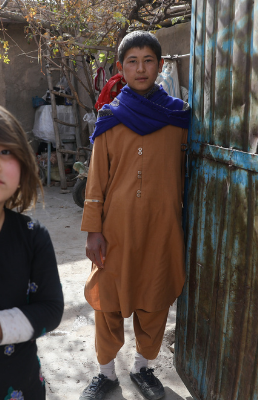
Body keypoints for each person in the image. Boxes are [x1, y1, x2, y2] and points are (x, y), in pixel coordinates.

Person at [79, 31, 191, 400]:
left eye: (148, 61)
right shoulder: (109, 117)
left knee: (155, 297)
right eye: (132, 61)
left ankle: (143, 368)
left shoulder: (178, 117)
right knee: (107, 300)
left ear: (160, 66)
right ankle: (106, 373)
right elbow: (96, 181)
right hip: (116, 230)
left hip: (162, 227)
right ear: (121, 68)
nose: (140, 68)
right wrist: (93, 230)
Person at [0, 100, 64, 400]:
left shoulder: (33, 237)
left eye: (6, 151)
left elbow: (50, 310)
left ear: (23, 166)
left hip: (20, 388)